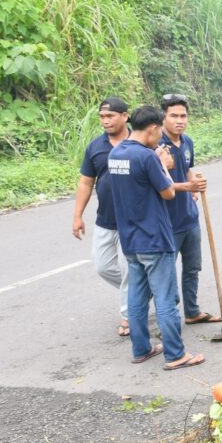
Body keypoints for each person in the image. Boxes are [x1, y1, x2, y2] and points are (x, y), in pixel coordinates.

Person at [108, 105, 205, 370]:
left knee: (137, 297)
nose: (158, 139)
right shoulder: (147, 157)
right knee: (165, 297)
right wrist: (162, 164)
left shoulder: (116, 154)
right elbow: (168, 193)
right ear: (152, 129)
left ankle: (141, 348)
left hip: (130, 238)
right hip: (154, 236)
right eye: (157, 132)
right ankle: (175, 354)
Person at [72, 96, 132, 337]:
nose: (105, 121)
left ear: (125, 116)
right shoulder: (95, 147)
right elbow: (86, 182)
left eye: (110, 116)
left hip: (132, 221)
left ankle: (128, 317)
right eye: (102, 117)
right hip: (105, 220)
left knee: (128, 269)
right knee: (103, 266)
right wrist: (77, 216)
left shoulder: (138, 143)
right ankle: (142, 291)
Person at [158, 93, 216, 324]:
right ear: (163, 118)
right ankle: (169, 320)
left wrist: (195, 185)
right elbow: (160, 185)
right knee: (167, 275)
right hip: (168, 222)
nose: (179, 120)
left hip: (190, 218)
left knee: (192, 268)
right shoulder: (157, 147)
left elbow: (187, 170)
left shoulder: (188, 142)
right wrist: (188, 186)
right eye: (174, 116)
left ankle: (192, 311)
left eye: (183, 116)